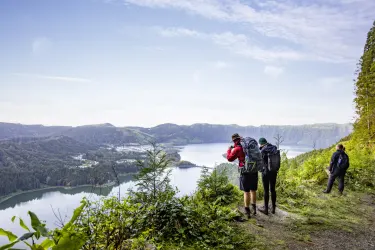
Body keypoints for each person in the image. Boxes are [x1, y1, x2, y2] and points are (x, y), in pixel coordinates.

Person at [227, 133, 258, 218]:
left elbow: (229, 158)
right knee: (253, 190)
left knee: (246, 191)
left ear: (234, 141)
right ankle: (254, 209)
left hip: (245, 172)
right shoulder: (250, 146)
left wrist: (229, 150)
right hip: (254, 169)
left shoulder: (237, 149)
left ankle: (247, 211)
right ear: (240, 138)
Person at [258, 138, 278, 215]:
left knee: (266, 190)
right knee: (273, 189)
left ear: (261, 143)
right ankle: (273, 208)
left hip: (266, 172)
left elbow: (260, 161)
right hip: (274, 171)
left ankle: (266, 209)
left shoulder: (263, 150)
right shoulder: (274, 148)